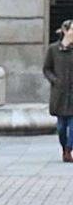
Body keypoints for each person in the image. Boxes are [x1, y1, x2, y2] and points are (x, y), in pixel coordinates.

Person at [43, 19, 73, 163]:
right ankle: (64, 147)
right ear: (65, 31)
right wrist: (55, 80)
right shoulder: (53, 49)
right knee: (61, 127)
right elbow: (46, 69)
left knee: (72, 127)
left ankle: (68, 150)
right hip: (59, 94)